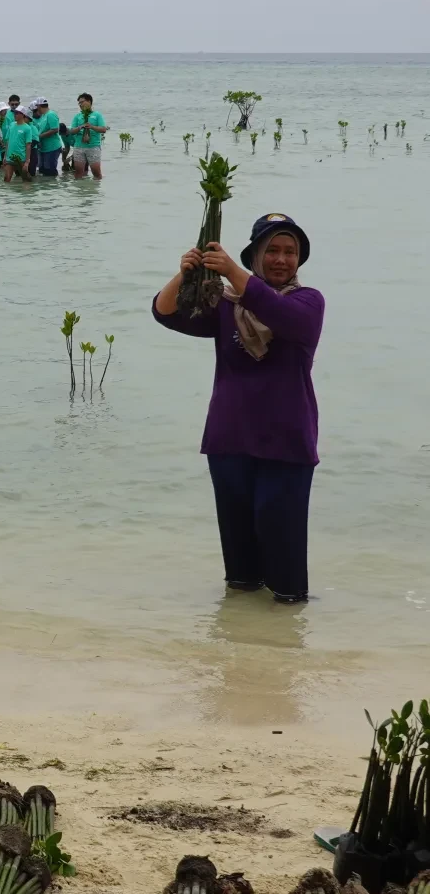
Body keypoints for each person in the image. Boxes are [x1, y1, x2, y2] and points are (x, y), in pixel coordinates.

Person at [153, 214, 324, 603]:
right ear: (256, 256)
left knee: (285, 562)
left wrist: (231, 271)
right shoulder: (227, 305)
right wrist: (186, 273)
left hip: (286, 442)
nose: (281, 260)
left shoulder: (307, 302)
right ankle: (240, 644)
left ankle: (286, 641)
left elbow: (281, 317)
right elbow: (165, 313)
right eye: (273, 251)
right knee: (240, 573)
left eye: (290, 252)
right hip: (229, 440)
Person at [69, 92, 107, 179]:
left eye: (82, 102)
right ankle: (80, 190)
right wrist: (80, 127)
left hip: (93, 146)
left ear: (89, 102)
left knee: (96, 173)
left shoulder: (97, 115)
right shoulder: (77, 116)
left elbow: (103, 129)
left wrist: (92, 127)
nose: (80, 105)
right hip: (79, 146)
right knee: (78, 172)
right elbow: (72, 131)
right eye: (79, 103)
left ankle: (95, 191)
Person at [3, 105, 33, 183]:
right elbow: (8, 141)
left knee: (25, 180)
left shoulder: (27, 128)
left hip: (21, 159)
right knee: (6, 179)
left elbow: (28, 145)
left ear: (22, 115)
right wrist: (5, 157)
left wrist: (27, 162)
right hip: (10, 157)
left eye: (17, 113)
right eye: (14, 113)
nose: (15, 114)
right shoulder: (12, 125)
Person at [33, 98, 61, 177]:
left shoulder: (51, 114)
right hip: (43, 147)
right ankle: (45, 187)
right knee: (42, 169)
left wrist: (40, 136)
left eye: (37, 106)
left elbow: (55, 129)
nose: (36, 109)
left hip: (52, 148)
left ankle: (52, 187)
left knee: (50, 170)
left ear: (39, 106)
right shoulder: (43, 116)